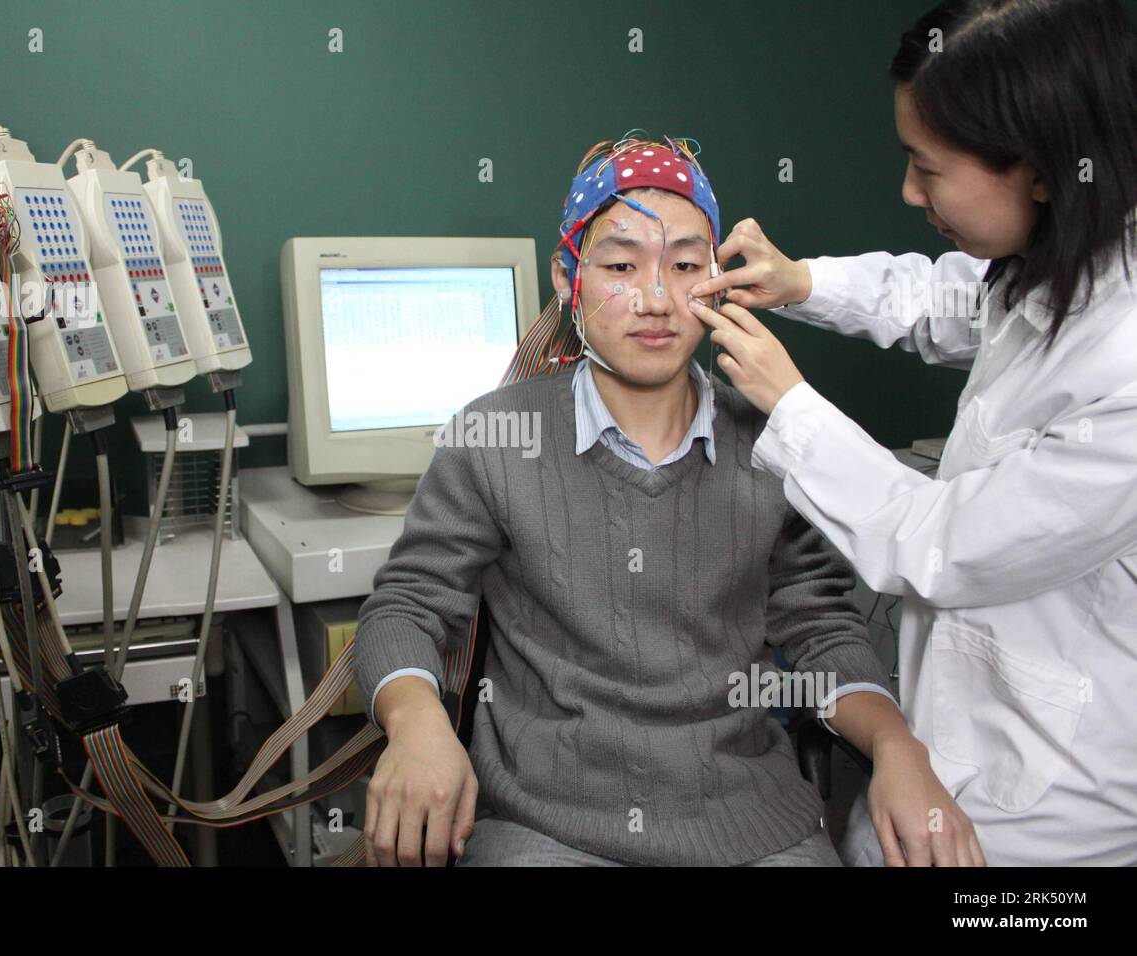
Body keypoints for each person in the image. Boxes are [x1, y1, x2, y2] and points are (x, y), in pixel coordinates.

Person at [353, 135, 980, 867]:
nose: (655, 299)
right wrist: (418, 724)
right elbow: (408, 605)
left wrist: (898, 745)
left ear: (717, 279)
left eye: (685, 266)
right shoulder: (496, 438)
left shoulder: (777, 442)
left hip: (755, 823)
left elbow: (821, 631)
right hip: (547, 826)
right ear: (568, 277)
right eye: (621, 266)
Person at [691, 0, 1137, 865]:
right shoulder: (1057, 261)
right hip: (945, 745)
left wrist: (790, 405)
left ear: (1041, 170)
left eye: (927, 168)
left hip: (1053, 814)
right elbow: (947, 297)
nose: (908, 192)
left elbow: (944, 546)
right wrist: (804, 281)